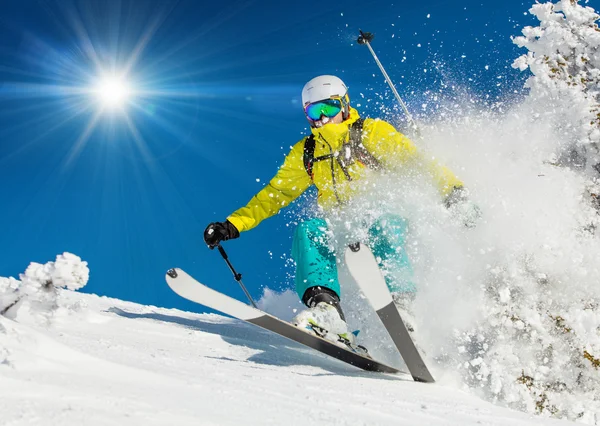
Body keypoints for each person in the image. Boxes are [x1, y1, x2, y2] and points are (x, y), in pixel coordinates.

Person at [204, 75, 479, 346]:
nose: (322, 118)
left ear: (344, 105)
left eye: (329, 108)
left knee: (381, 224)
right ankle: (327, 312)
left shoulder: (370, 132)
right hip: (342, 227)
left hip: (387, 218)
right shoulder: (307, 152)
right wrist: (233, 224)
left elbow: (415, 161)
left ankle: (403, 307)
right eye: (314, 111)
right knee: (309, 231)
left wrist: (452, 191)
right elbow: (276, 194)